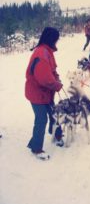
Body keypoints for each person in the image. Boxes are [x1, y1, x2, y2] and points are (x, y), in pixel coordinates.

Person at [25, 27, 63, 160]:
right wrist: (56, 84)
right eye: (56, 40)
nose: (57, 42)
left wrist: (56, 76)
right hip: (37, 93)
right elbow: (45, 78)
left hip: (46, 93)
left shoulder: (47, 51)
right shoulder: (41, 54)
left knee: (55, 114)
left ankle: (57, 136)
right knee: (41, 119)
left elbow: (51, 70)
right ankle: (36, 148)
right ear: (51, 39)